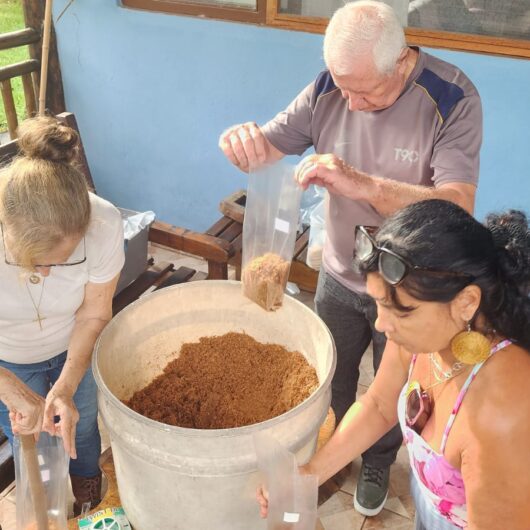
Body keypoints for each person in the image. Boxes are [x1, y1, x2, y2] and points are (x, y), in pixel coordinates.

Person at [219, 0, 482, 515]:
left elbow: (458, 206)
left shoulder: (451, 97)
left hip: (411, 292)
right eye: (343, 88)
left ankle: (380, 462)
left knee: (394, 394)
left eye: (365, 92)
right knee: (335, 376)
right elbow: (269, 145)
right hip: (341, 273)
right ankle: (334, 453)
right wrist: (242, 139)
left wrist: (358, 182)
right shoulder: (328, 89)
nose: (351, 104)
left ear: (402, 62)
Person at [258, 199, 530, 530]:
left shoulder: (503, 414)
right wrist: (306, 477)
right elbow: (379, 405)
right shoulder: (422, 339)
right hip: (433, 509)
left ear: (467, 302)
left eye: (402, 310)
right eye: (378, 304)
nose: (382, 325)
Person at [0, 116, 125, 516]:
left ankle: (87, 492)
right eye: (36, 263)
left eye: (64, 261)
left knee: (81, 422)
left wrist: (67, 384)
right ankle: (45, 507)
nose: (49, 274)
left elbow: (92, 314)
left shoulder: (103, 222)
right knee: (27, 437)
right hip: (7, 356)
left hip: (73, 340)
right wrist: (9, 388)